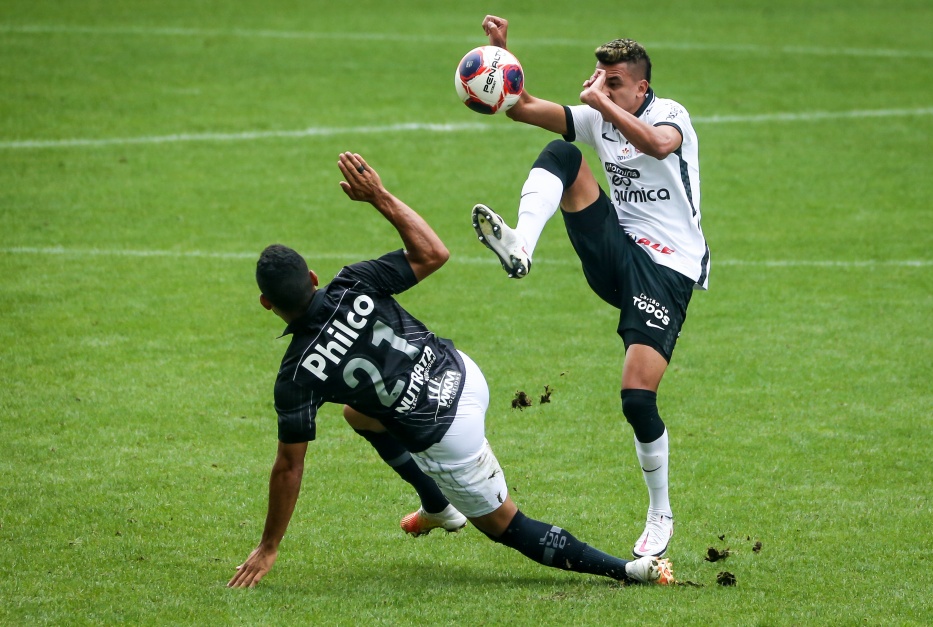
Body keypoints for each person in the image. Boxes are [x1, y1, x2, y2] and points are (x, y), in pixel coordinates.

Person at [227, 151, 674, 588]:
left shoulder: (298, 375)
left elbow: (289, 466)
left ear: (268, 304)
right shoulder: (352, 282)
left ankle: (626, 570)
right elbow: (433, 252)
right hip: (465, 375)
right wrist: (379, 196)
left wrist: (268, 546)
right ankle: (438, 506)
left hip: (448, 436)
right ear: (312, 278)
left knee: (511, 527)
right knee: (358, 413)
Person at [471, 15, 711, 559]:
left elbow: (655, 146)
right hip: (616, 253)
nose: (601, 87)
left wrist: (600, 106)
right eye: (598, 78)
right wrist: (501, 64)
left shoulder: (670, 115)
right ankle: (521, 247)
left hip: (667, 270)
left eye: (614, 81)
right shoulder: (597, 115)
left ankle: (660, 510)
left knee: (636, 396)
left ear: (641, 86)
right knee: (564, 156)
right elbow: (525, 107)